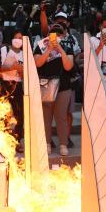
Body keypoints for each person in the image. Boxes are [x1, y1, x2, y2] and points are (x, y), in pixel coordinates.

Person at [35, 24, 75, 157]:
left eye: (59, 35)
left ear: (63, 36)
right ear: (48, 36)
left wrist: (60, 50)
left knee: (61, 117)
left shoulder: (67, 47)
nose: (56, 37)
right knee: (46, 117)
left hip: (63, 87)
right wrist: (49, 50)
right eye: (53, 34)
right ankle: (46, 144)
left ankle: (63, 144)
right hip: (45, 86)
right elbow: (37, 63)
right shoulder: (40, 47)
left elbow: (68, 66)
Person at [1, 31, 25, 151]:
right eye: (16, 38)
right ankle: (5, 139)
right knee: (5, 114)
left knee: (20, 114)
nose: (18, 40)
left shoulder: (25, 54)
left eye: (21, 38)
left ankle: (17, 140)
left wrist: (22, 71)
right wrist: (11, 68)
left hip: (18, 85)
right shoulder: (4, 50)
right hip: (5, 84)